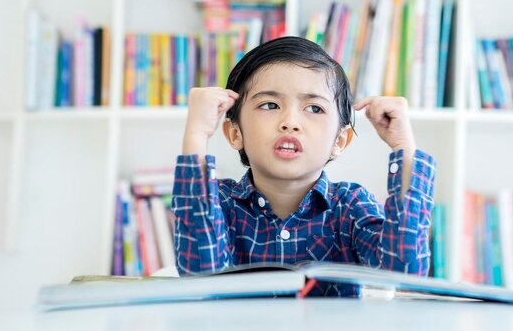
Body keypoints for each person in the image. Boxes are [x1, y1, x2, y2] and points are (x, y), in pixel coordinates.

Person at [172, 36, 436, 296]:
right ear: (234, 133)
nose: (290, 122)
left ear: (340, 140)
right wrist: (197, 135)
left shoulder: (350, 206)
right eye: (270, 105)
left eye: (314, 108)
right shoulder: (218, 203)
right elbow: (200, 275)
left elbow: (404, 273)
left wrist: (403, 145)